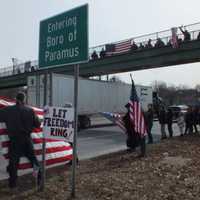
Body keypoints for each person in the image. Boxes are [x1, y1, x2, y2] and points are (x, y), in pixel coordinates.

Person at [0, 92, 41, 189]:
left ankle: (13, 184)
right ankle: (39, 178)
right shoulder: (30, 111)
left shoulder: (7, 110)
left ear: (16, 99)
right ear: (24, 99)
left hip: (14, 141)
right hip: (27, 140)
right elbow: (38, 124)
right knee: (33, 160)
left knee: (13, 163)